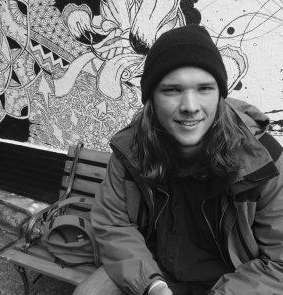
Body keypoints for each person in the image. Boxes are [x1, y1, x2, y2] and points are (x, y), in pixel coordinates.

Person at [74, 24, 283, 295]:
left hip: (235, 278)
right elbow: (113, 224)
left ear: (220, 95)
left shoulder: (262, 159)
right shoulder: (130, 151)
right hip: (154, 267)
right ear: (150, 99)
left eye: (205, 88)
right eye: (172, 90)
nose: (190, 106)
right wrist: (152, 286)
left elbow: (278, 262)